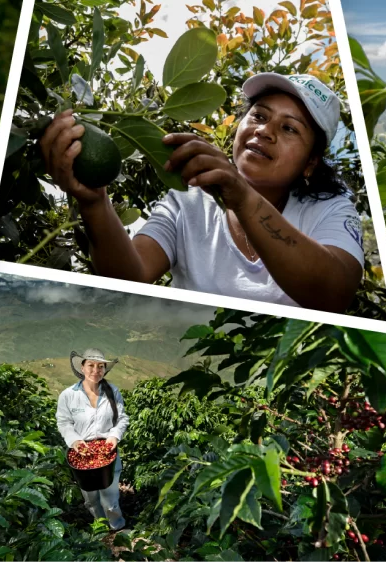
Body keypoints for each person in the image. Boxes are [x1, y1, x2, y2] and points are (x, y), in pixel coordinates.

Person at [39, 73, 364, 311]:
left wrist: (241, 197)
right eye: (259, 116)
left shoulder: (331, 211)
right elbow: (131, 275)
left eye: (289, 128)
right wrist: (94, 202)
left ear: (310, 162)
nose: (265, 131)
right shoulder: (187, 201)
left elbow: (334, 294)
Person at [56, 349, 129, 531]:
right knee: (91, 499)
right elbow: (64, 422)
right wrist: (74, 441)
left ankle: (116, 527)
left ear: (104, 369)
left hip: (108, 453)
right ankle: (101, 528)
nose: (95, 370)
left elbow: (122, 419)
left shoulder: (112, 391)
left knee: (110, 499)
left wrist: (114, 436)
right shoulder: (68, 395)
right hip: (81, 454)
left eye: (100, 366)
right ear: (82, 367)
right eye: (91, 365)